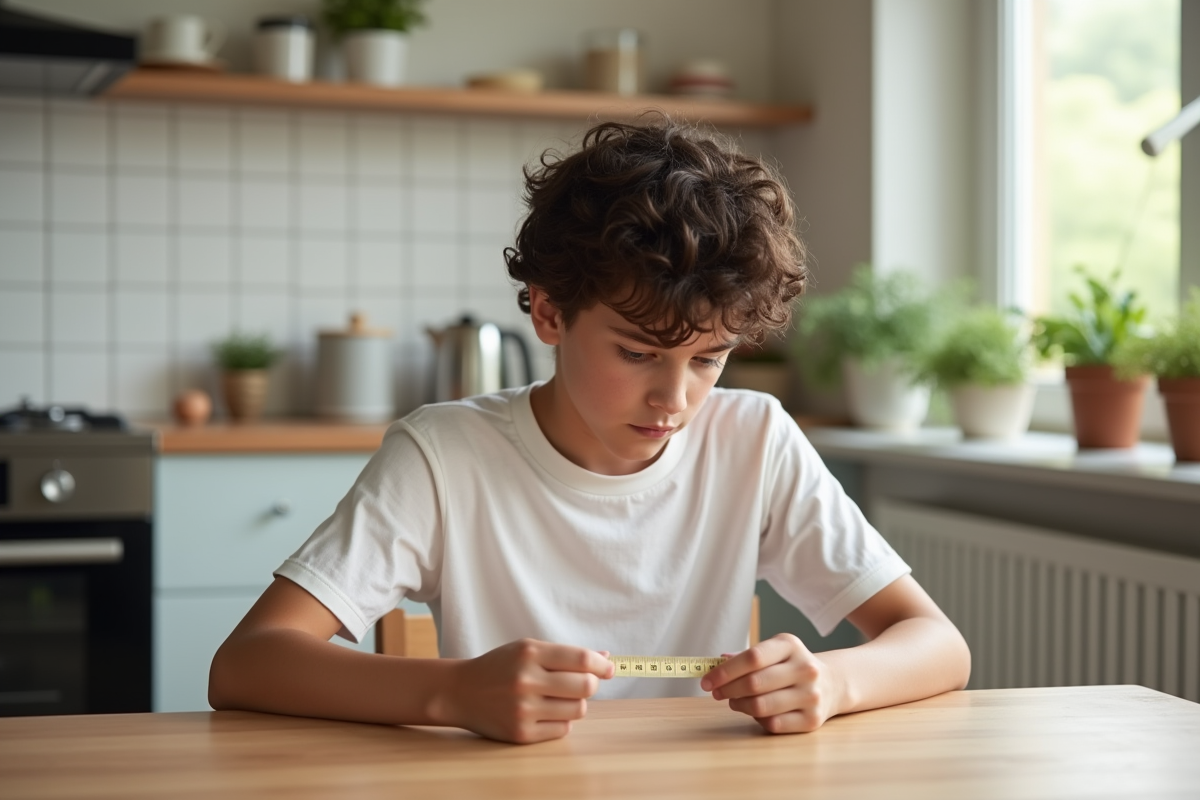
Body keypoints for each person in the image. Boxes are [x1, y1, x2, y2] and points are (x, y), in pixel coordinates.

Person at [208, 117, 971, 745]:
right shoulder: (443, 455)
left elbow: (939, 644)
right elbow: (246, 664)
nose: (675, 397)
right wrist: (452, 692)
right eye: (637, 352)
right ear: (548, 313)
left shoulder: (755, 439)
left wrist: (834, 681)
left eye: (710, 358)